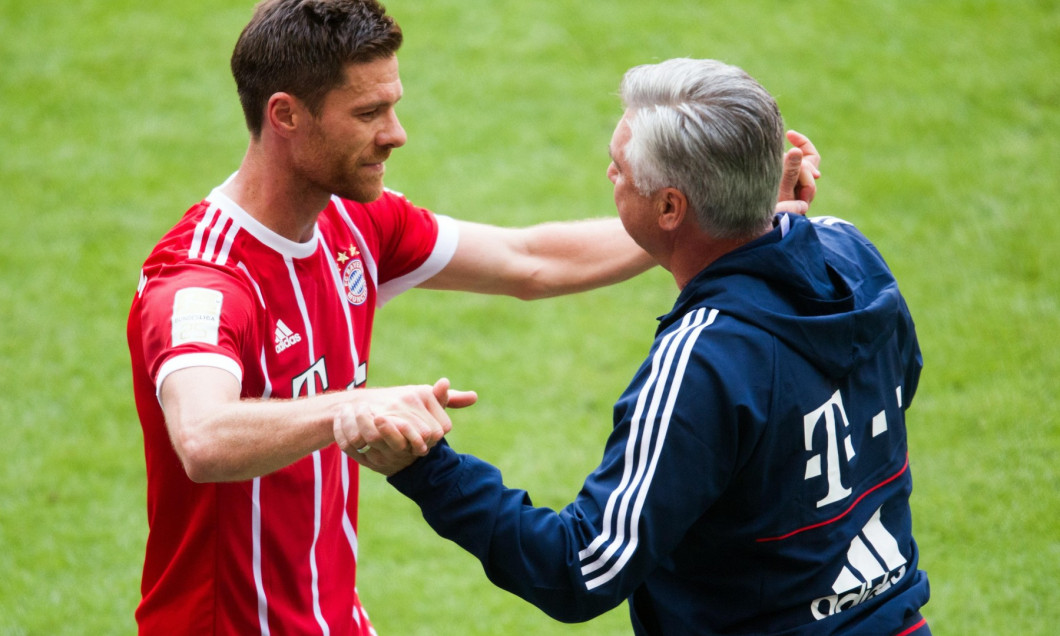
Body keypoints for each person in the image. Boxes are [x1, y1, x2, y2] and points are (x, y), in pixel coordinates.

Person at [126, 0, 819, 631]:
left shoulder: (356, 227)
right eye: (368, 114)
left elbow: (531, 261)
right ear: (285, 116)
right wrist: (348, 410)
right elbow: (204, 437)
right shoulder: (201, 283)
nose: (396, 134)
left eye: (392, 105)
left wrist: (730, 217)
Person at [342, 57, 930, 635]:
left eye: (619, 167)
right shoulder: (851, 256)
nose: (610, 176)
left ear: (670, 207)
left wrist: (426, 467)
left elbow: (580, 569)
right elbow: (900, 381)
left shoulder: (704, 359)